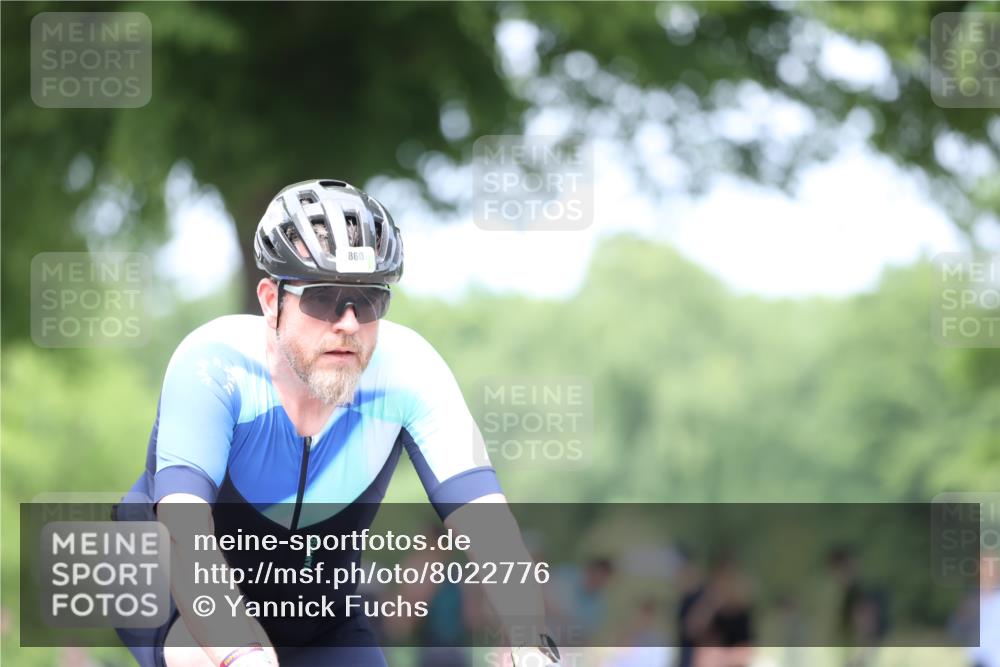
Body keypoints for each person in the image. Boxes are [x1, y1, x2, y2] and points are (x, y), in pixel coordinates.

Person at [112, 180, 559, 667]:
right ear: (269, 299)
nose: (348, 323)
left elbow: (489, 525)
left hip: (320, 615)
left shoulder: (411, 370)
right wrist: (242, 655)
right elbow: (184, 533)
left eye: (368, 300)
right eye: (323, 298)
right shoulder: (212, 364)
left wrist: (530, 639)